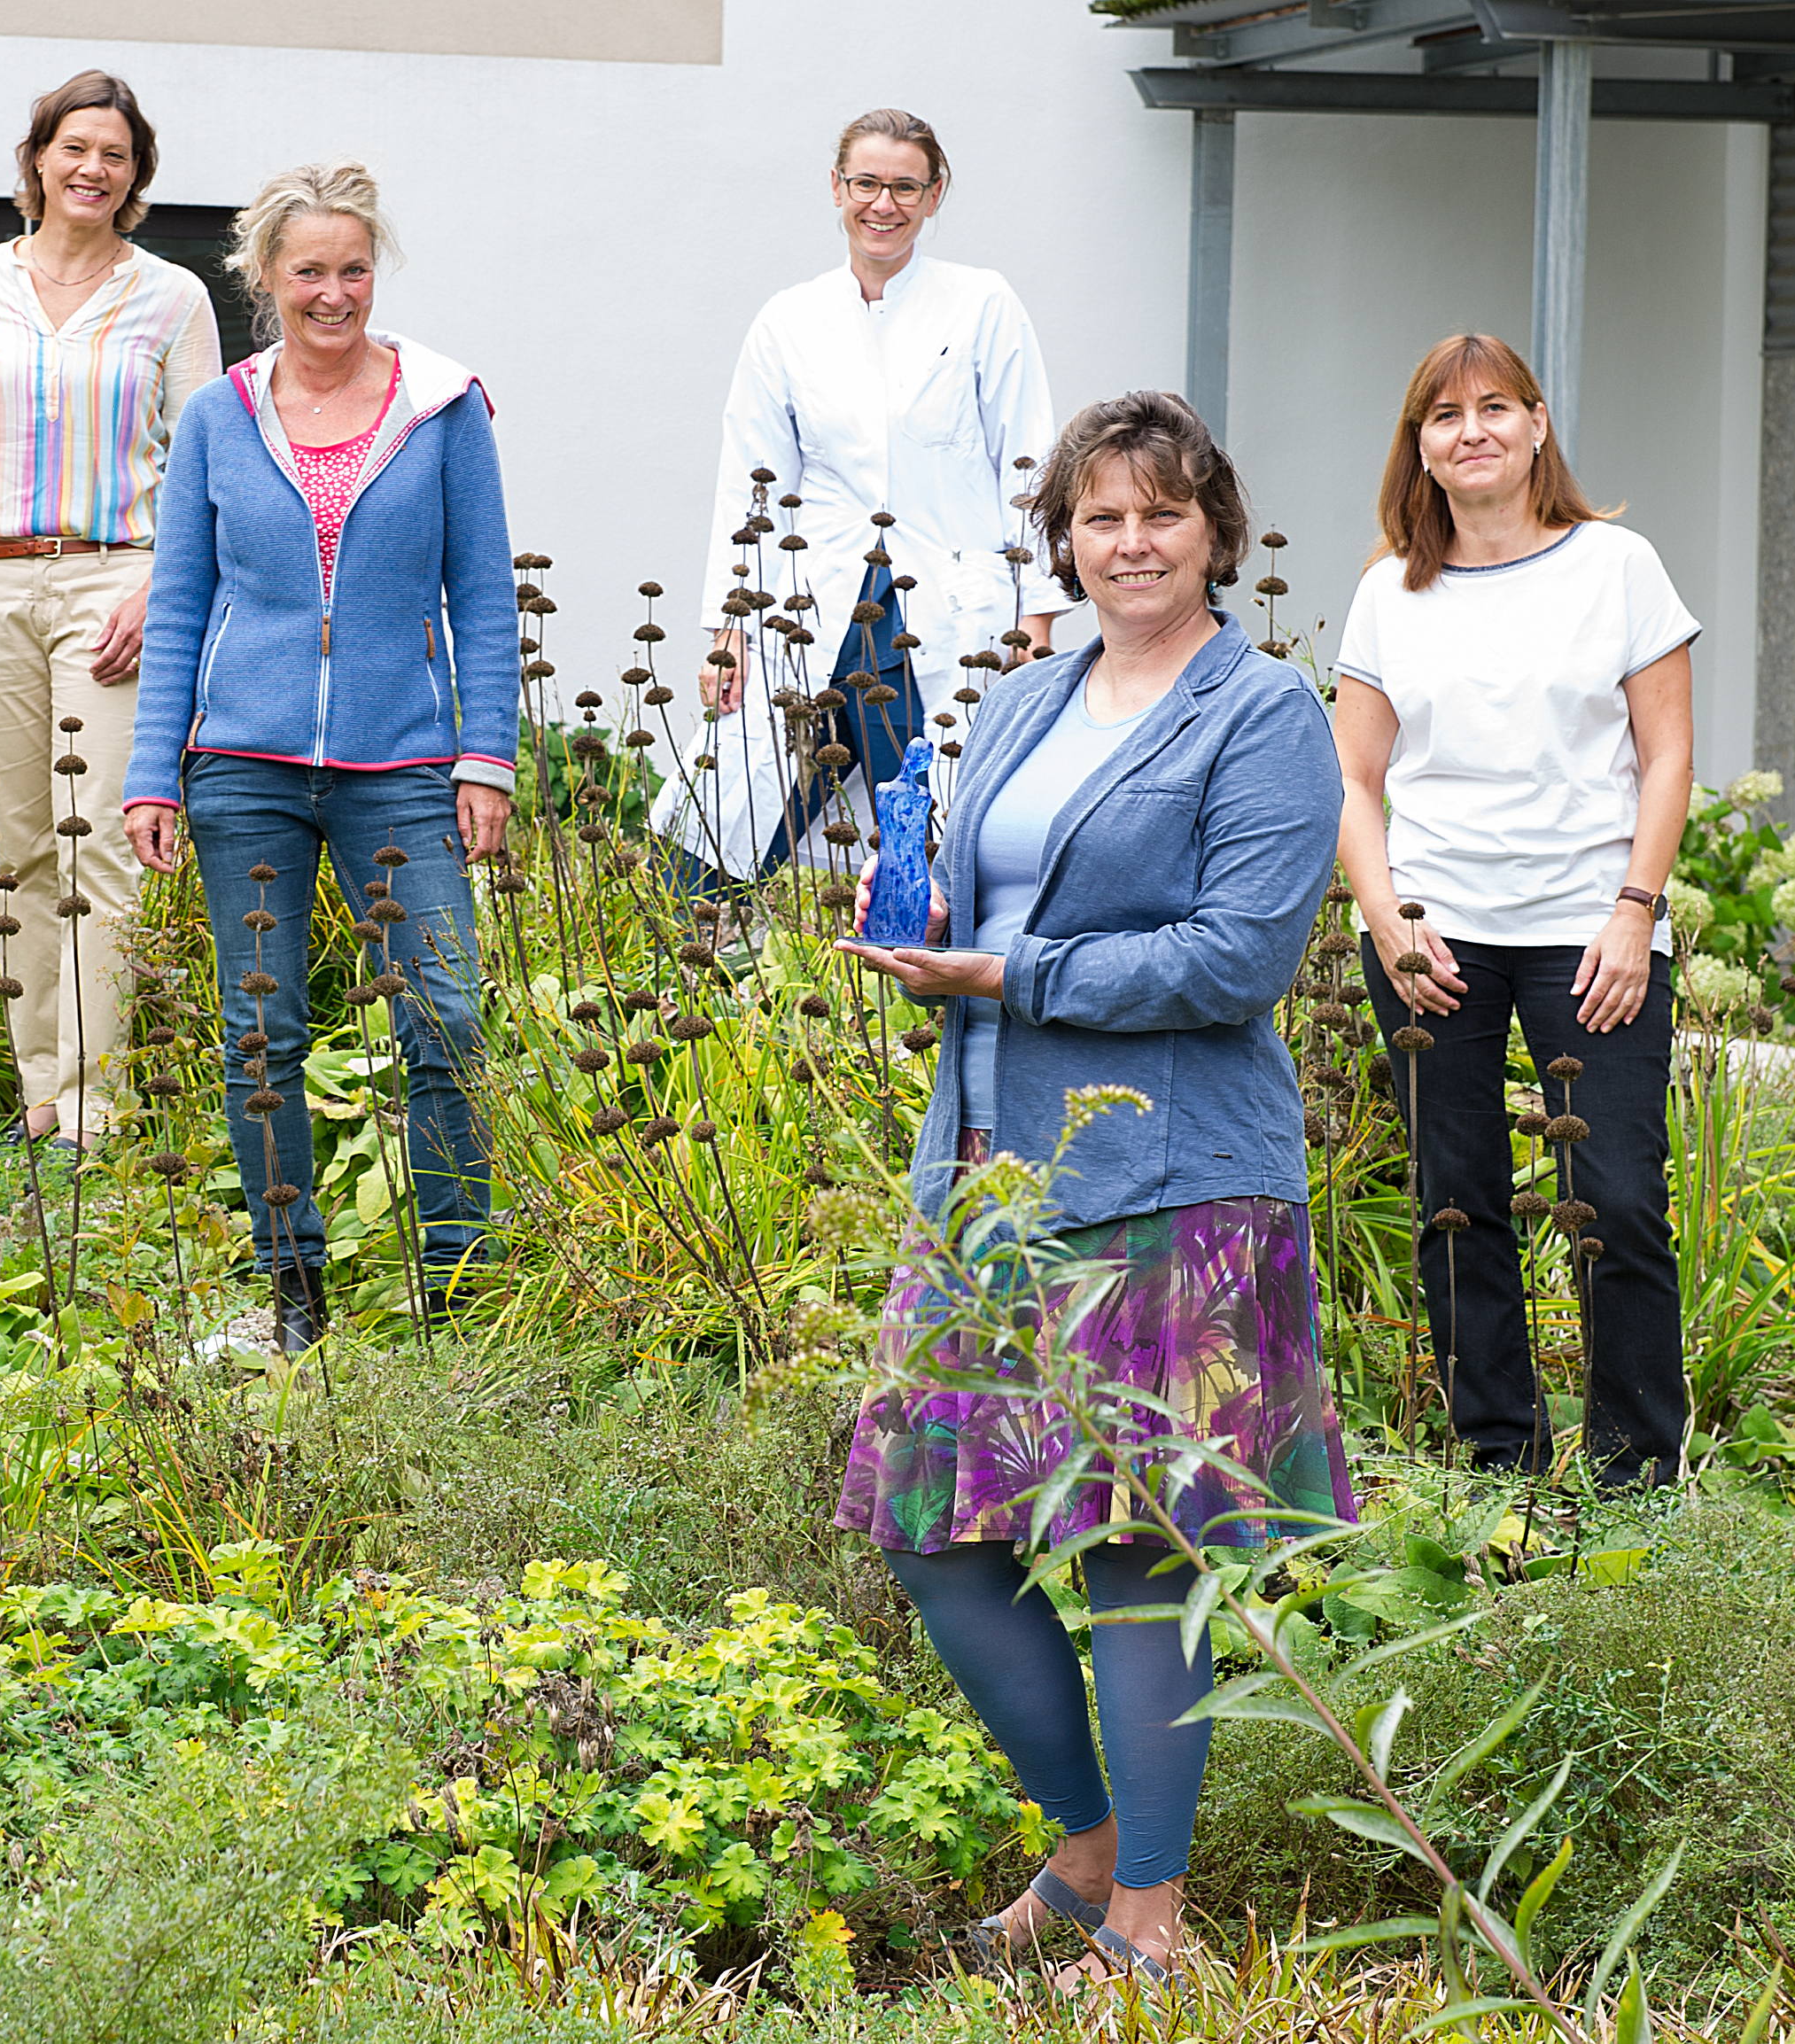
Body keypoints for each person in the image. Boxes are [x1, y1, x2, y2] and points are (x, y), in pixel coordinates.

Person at [832, 392, 1351, 1989]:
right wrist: (920, 940)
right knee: (926, 1525)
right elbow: (979, 888)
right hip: (989, 1175)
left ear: (1216, 535)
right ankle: (1083, 1836)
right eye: (1101, 517)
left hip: (1172, 1184)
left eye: (1162, 515)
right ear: (1063, 537)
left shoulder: (1260, 712)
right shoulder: (1023, 699)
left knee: (1141, 1549)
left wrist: (1011, 968)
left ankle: (1151, 1915)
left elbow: (1236, 957)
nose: (1130, 543)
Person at [120, 160, 516, 1356]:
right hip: (242, 764)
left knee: (443, 1018)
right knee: (258, 1029)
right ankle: (290, 1294)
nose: (332, 293)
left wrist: (482, 755)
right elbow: (180, 599)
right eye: (308, 271)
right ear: (263, 278)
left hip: (400, 764)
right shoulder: (216, 418)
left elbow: (483, 596)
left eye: (352, 269)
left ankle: (457, 1288)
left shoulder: (442, 406)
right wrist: (151, 770)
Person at [1335, 334, 1697, 1493]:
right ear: (1420, 448)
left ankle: (1636, 1476)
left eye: (1495, 406)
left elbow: (1666, 752)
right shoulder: (1387, 589)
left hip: (1589, 933)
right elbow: (1348, 779)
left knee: (1620, 1200)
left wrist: (1633, 911)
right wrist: (1384, 917)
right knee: (1455, 1200)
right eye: (1443, 415)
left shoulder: (1614, 565)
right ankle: (1500, 1466)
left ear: (1537, 426)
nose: (1471, 429)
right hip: (1433, 934)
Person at [0, 68, 222, 1153]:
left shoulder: (173, 297)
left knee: (103, 847)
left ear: (135, 179)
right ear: (36, 159)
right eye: (75, 148)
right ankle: (38, 1089)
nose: (93, 169)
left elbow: (202, 468)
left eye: (116, 156)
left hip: (113, 584)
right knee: (19, 847)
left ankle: (97, 1104)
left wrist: (158, 585)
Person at [657, 107, 1071, 898]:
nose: (884, 204)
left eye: (904, 186)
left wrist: (1035, 618)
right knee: (720, 832)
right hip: (811, 608)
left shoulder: (982, 304)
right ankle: (699, 978)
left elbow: (1031, 461)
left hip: (947, 610)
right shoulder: (789, 318)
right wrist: (728, 629)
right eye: (867, 183)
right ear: (837, 189)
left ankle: (915, 999)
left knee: (932, 837)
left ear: (935, 193)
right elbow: (749, 481)